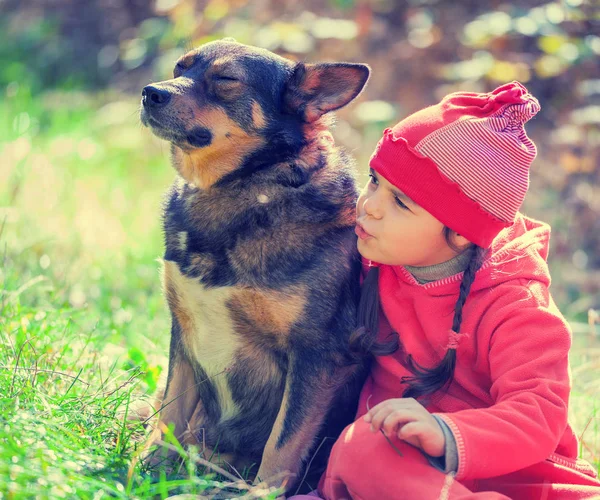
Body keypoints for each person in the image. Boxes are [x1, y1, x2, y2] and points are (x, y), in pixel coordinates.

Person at [289, 82, 600, 499]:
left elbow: (538, 412)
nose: (371, 205)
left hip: (513, 479)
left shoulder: (517, 304)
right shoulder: (370, 261)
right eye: (374, 180)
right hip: (391, 465)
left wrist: (446, 432)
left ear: (461, 233)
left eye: (401, 202)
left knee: (359, 449)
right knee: (356, 451)